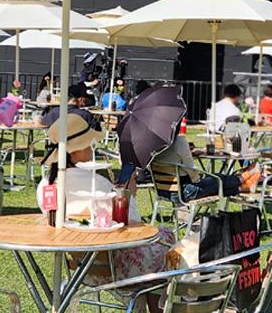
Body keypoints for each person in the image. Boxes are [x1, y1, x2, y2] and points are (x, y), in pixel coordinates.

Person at [38, 113, 174, 313]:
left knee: (158, 247)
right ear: (74, 152)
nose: (92, 147)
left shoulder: (45, 186)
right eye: (87, 144)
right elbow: (133, 223)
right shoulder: (97, 184)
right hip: (114, 268)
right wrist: (128, 194)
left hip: (78, 268)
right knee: (165, 245)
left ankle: (142, 305)